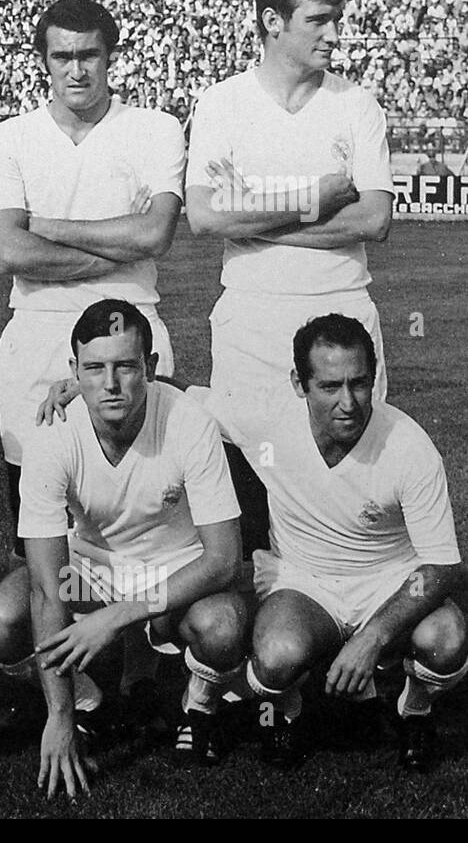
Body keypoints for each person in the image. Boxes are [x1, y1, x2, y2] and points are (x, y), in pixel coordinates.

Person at [0, 300, 244, 797]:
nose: (110, 383)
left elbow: (223, 559)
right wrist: (57, 715)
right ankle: (86, 703)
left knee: (222, 625)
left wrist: (121, 616)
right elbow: (45, 584)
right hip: (92, 568)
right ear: (72, 372)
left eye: (126, 366)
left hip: (177, 565)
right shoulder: (53, 433)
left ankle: (200, 705)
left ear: (150, 367)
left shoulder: (190, 422)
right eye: (94, 368)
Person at [190, 315, 466, 770]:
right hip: (304, 579)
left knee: (448, 637)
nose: (348, 402)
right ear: (299, 383)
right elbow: (180, 394)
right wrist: (82, 387)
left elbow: (439, 566)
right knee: (276, 656)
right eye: (330, 386)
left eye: (360, 384)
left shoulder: (409, 448)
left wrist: (374, 637)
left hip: (389, 578)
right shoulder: (267, 421)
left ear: (374, 380)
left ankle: (414, 708)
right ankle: (288, 711)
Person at [0, 0, 184, 542]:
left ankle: (139, 624)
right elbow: (7, 252)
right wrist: (120, 244)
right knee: (40, 519)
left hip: (130, 330)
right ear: (43, 61)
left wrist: (49, 227)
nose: (77, 69)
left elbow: (156, 233)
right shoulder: (8, 139)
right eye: (63, 56)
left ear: (110, 56)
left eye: (90, 54)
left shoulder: (156, 128)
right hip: (37, 328)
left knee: (142, 509)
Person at [186, 0, 393, 418]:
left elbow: (374, 220)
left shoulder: (357, 105)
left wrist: (250, 218)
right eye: (318, 20)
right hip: (251, 316)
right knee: (251, 466)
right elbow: (204, 217)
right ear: (272, 22)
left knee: (349, 474)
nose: (335, 35)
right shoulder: (222, 103)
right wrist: (314, 202)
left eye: (337, 19)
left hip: (343, 310)